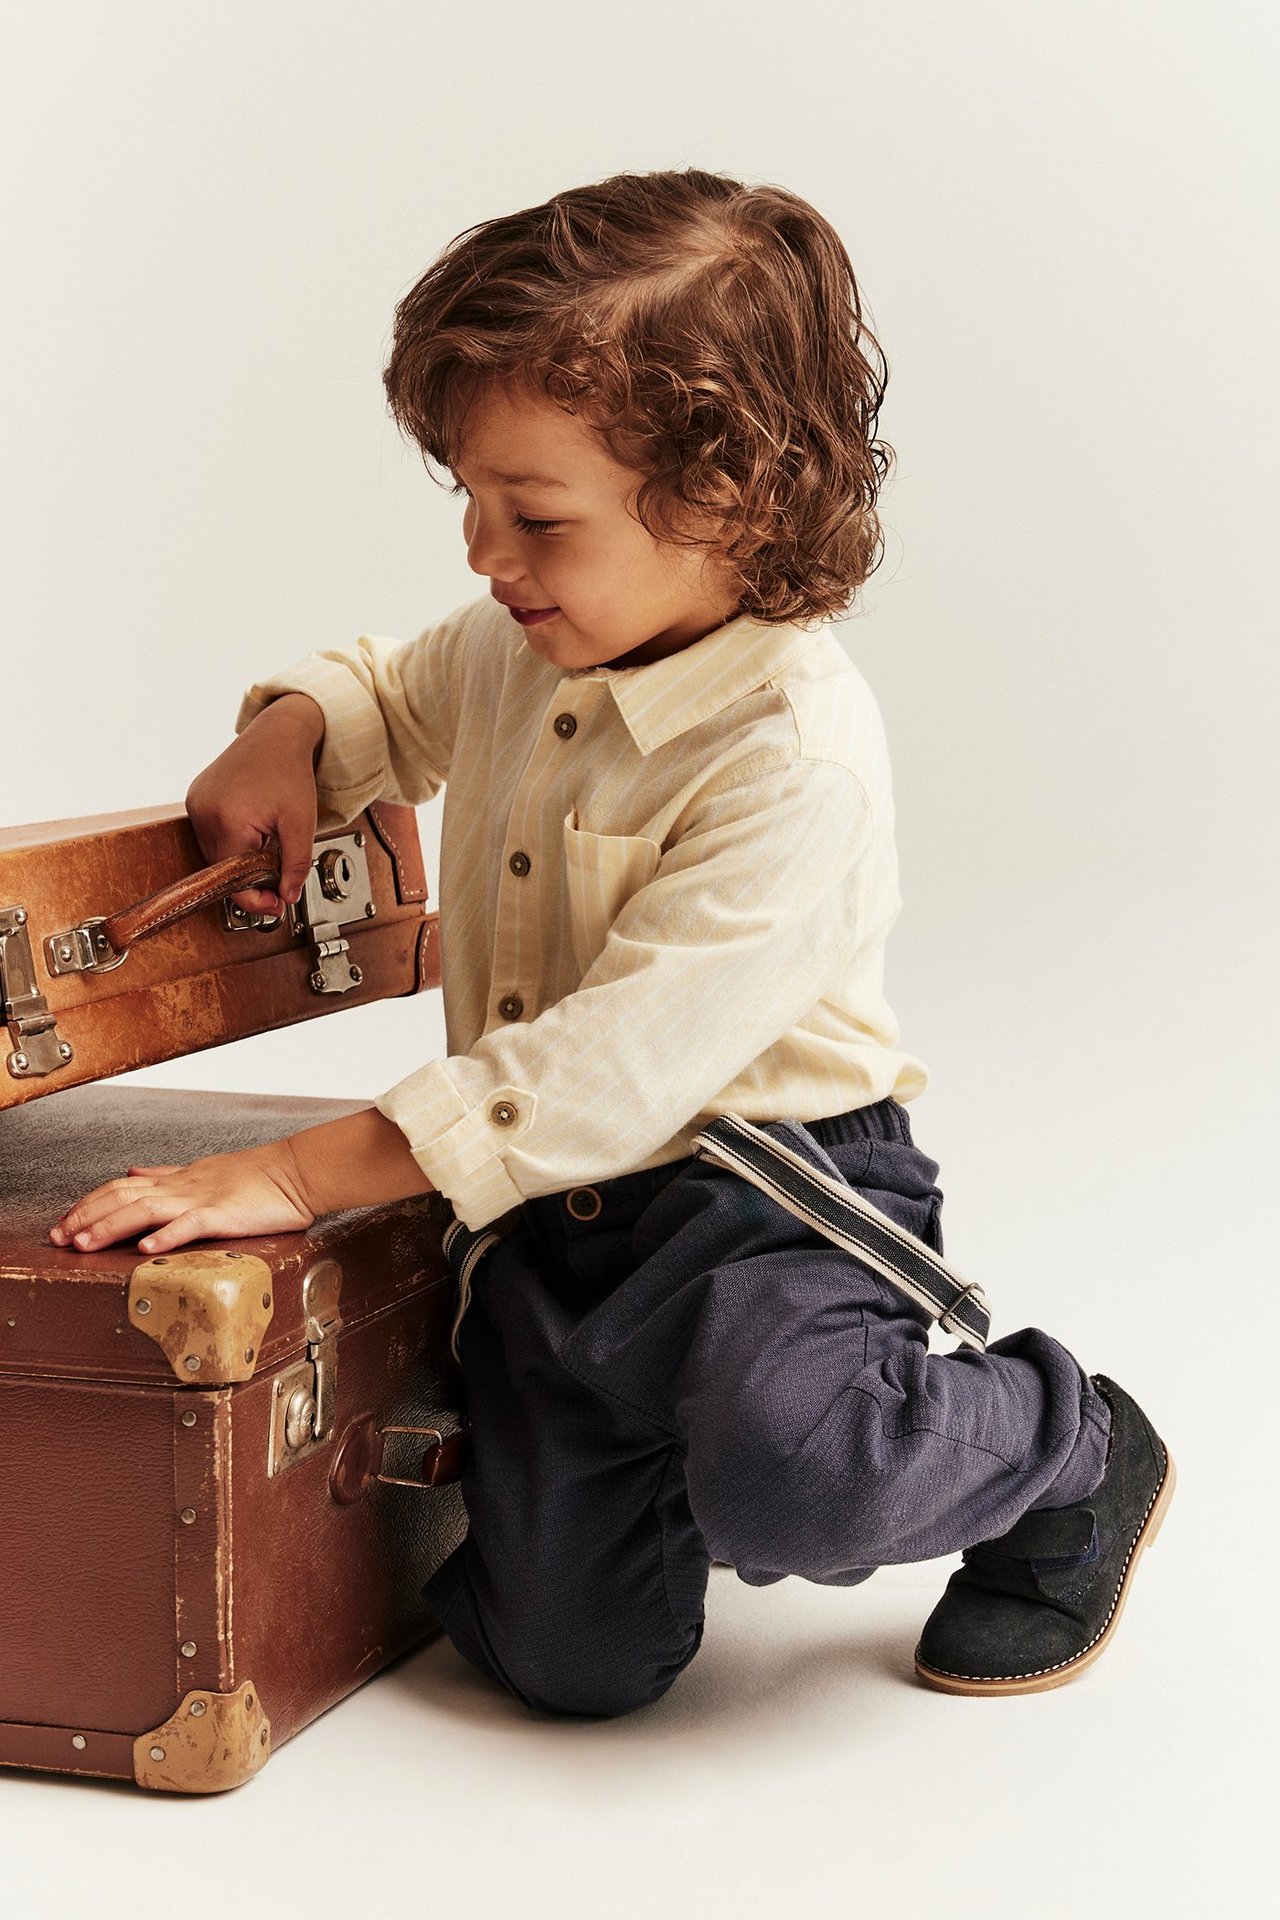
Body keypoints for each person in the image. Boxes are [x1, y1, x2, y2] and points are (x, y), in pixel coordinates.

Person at [48, 168, 1174, 1708]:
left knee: (803, 1461)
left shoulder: (795, 756)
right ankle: (674, 1457)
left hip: (766, 1190)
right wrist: (295, 730)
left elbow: (599, 1076)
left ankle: (1069, 1444)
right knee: (567, 1665)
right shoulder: (520, 642)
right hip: (554, 1222)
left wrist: (298, 1176)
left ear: (732, 499)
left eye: (535, 516)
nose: (481, 550)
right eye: (468, 496)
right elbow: (392, 689)